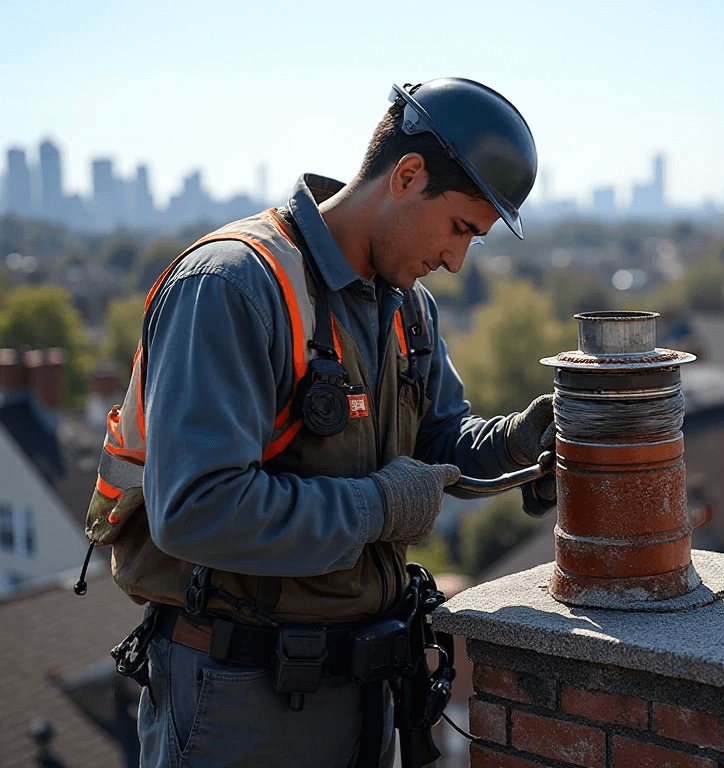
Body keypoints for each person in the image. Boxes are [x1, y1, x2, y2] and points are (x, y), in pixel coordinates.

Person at [84, 78, 555, 768]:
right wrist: (378, 507)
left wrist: (522, 441)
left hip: (362, 694)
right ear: (408, 174)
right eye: (460, 228)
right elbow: (194, 511)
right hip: (241, 705)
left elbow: (439, 443)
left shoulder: (405, 309)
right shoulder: (234, 286)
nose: (458, 259)